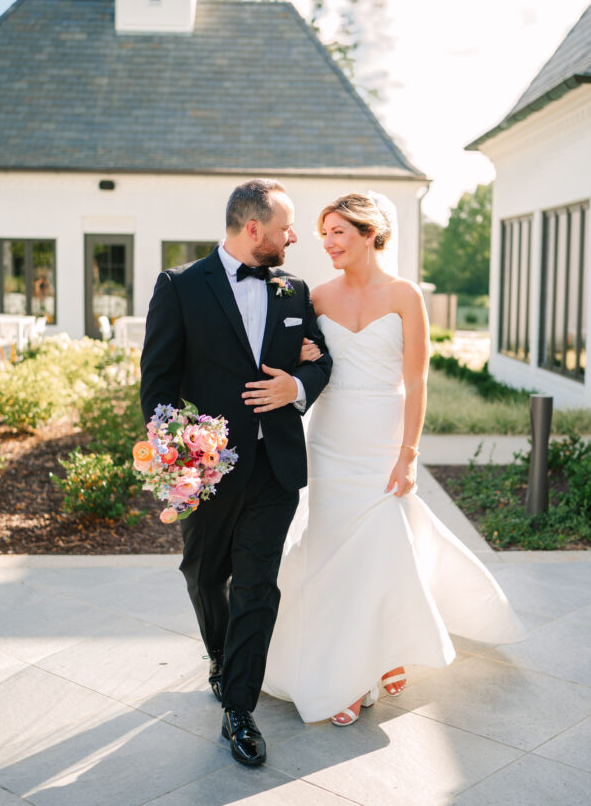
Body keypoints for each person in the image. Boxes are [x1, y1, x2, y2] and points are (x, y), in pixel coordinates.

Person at [263, 192, 525, 725]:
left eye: (339, 232)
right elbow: (297, 363)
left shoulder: (406, 295)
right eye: (324, 234)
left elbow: (416, 380)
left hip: (385, 439)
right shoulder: (315, 299)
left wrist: (409, 455)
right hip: (332, 440)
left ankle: (381, 655)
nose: (329, 244)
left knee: (383, 543)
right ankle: (346, 669)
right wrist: (304, 355)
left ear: (368, 234)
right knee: (335, 552)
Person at [140, 179, 332, 765]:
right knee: (202, 574)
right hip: (208, 471)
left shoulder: (295, 290)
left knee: (256, 584)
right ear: (254, 230)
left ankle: (239, 708)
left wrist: (295, 386)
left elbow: (321, 358)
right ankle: (221, 658)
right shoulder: (179, 286)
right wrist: (181, 456)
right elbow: (157, 383)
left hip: (275, 466)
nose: (293, 237)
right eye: (286, 227)